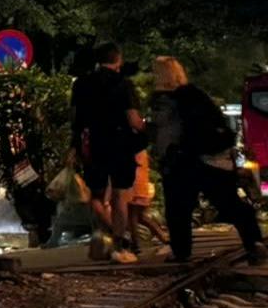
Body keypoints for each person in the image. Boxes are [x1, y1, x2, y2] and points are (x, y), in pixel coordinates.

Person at [149, 56, 265, 265]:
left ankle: (181, 251)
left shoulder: (169, 100)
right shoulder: (196, 95)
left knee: (178, 207)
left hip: (186, 159)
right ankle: (253, 241)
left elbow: (171, 132)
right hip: (213, 159)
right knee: (228, 202)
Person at [72, 44, 147, 262]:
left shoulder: (81, 84)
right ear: (118, 60)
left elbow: (75, 118)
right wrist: (145, 127)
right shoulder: (123, 84)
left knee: (96, 195)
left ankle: (110, 235)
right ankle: (119, 241)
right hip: (120, 143)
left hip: (93, 143)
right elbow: (133, 118)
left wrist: (75, 145)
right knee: (120, 195)